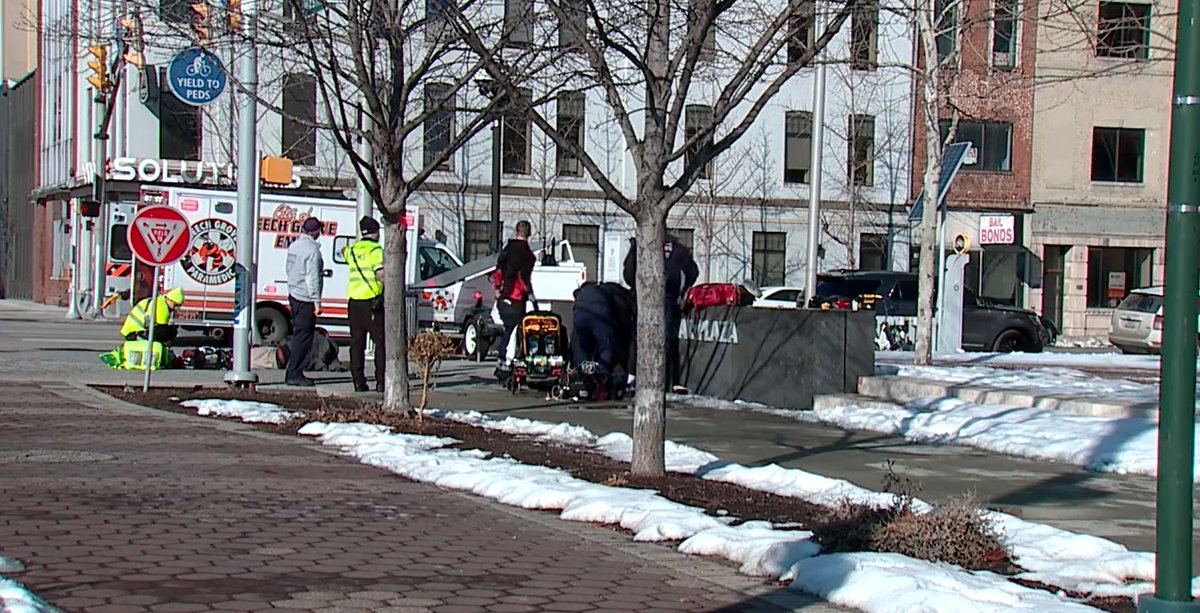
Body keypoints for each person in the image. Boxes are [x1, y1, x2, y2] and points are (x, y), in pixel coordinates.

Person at [623, 232, 699, 391]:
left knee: (642, 336)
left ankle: (634, 375)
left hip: (652, 297)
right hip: (666, 298)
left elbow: (629, 272)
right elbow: (692, 272)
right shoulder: (679, 251)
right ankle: (671, 379)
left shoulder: (643, 247)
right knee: (667, 339)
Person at [344, 216, 385, 393]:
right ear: (376, 233)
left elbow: (343, 252)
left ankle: (358, 381)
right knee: (381, 343)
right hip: (372, 302)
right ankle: (381, 381)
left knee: (356, 343)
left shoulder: (351, 251)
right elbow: (381, 274)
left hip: (354, 302)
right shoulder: (376, 250)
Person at [572, 282, 635, 398]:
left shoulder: (600, 289)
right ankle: (601, 378)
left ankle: (582, 376)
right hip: (599, 311)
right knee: (606, 346)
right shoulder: (622, 297)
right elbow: (624, 330)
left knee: (583, 346)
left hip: (579, 310)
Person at [284, 217, 326, 387]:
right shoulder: (312, 251)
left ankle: (294, 371)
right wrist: (317, 302)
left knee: (298, 335)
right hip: (306, 298)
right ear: (315, 231)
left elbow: (288, 269)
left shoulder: (294, 246)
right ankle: (294, 373)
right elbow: (312, 278)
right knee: (304, 337)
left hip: (294, 294)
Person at [493, 220, 536, 376]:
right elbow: (523, 278)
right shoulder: (528, 256)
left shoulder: (506, 251)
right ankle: (511, 360)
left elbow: (498, 273)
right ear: (529, 233)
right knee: (517, 329)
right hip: (517, 298)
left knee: (508, 329)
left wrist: (498, 289)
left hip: (503, 297)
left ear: (516, 231)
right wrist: (530, 294)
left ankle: (502, 360)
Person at [120, 287, 185, 344]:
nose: (175, 308)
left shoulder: (159, 300)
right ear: (170, 300)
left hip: (131, 330)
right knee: (169, 331)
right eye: (176, 305)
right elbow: (162, 330)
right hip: (135, 332)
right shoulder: (162, 308)